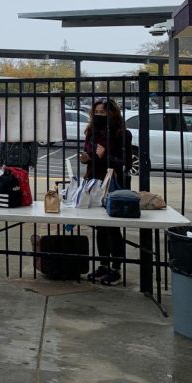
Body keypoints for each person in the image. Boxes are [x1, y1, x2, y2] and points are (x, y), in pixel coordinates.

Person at [79, 98, 133, 285]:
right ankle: (103, 263)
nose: (99, 115)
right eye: (97, 112)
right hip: (93, 182)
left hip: (112, 185)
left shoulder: (122, 134)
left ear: (112, 113)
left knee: (112, 227)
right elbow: (89, 156)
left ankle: (116, 268)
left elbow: (125, 163)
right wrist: (85, 158)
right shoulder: (91, 132)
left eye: (103, 112)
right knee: (99, 226)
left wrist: (104, 157)